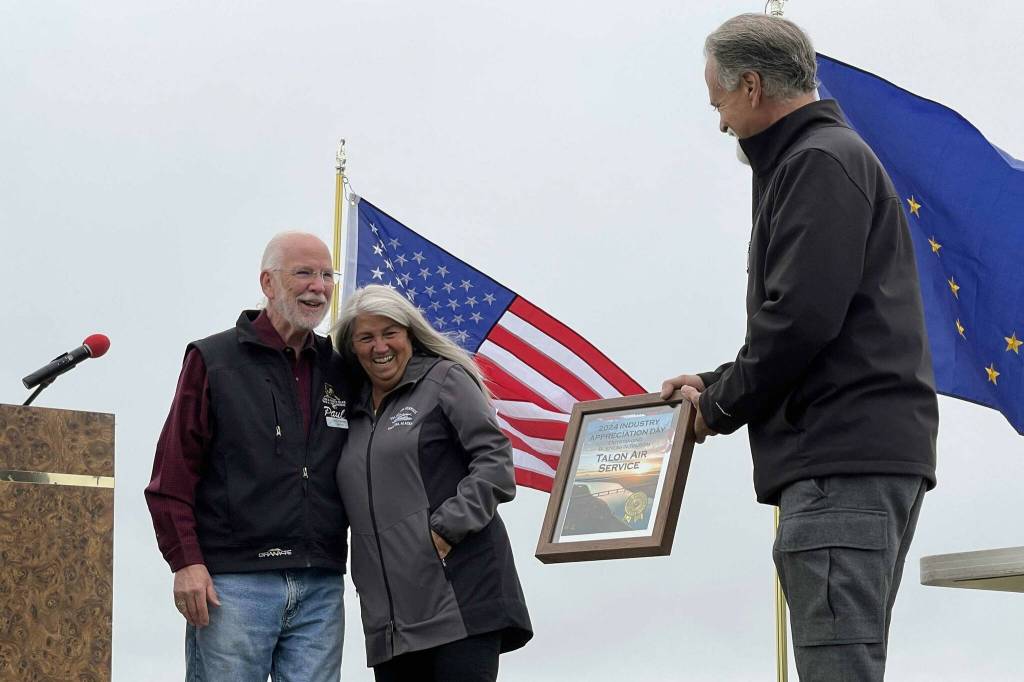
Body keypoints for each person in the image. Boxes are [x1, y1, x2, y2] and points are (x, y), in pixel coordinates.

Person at [660, 14, 939, 681]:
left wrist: (718, 404)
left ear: (751, 87)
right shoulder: (820, 158)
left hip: (839, 462)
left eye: (719, 101)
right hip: (854, 452)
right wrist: (714, 383)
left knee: (837, 669)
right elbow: (808, 322)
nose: (720, 121)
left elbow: (802, 320)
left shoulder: (817, 161)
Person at [145, 232, 350, 681]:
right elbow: (172, 475)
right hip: (232, 584)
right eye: (303, 273)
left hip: (321, 582)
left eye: (326, 275)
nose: (318, 285)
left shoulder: (341, 368)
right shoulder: (214, 359)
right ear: (269, 282)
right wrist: (185, 562)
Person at [332, 284, 532, 681]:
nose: (380, 346)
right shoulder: (345, 410)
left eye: (390, 332)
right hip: (389, 622)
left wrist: (443, 531)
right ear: (352, 348)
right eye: (366, 337)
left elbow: (495, 461)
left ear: (409, 333)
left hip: (460, 599)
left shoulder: (445, 380)